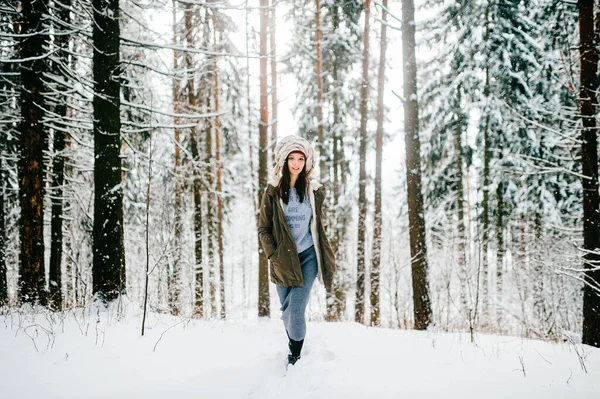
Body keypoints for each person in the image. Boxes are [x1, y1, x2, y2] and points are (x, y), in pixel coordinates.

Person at [258, 135, 336, 365]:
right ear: (283, 160)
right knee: (285, 309)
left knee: (296, 308)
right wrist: (273, 254)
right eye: (291, 158)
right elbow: (263, 229)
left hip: (309, 256)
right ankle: (293, 343)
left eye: (300, 158)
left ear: (306, 161)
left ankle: (295, 356)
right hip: (282, 259)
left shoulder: (314, 191)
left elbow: (318, 226)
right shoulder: (272, 192)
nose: (295, 163)